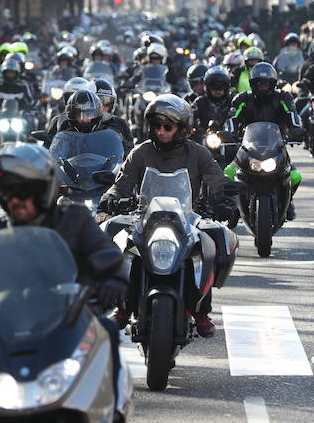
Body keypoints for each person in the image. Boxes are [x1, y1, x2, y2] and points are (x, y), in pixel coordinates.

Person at [0, 142, 127, 401]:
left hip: (70, 321)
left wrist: (112, 279)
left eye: (24, 191)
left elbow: (108, 256)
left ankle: (110, 410)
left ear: (44, 189)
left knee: (107, 331)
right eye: (9, 192)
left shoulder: (74, 219)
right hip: (8, 328)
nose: (16, 200)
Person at [98, 94, 233, 336]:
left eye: (167, 127)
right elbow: (122, 184)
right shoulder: (140, 152)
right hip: (145, 218)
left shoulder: (199, 153)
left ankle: (202, 311)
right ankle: (124, 307)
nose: (161, 132)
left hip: (188, 218)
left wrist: (224, 198)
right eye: (157, 126)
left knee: (211, 245)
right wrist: (112, 199)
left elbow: (217, 180)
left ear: (181, 129)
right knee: (114, 239)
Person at [227, 62, 303, 219]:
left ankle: (287, 202)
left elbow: (292, 113)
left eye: (266, 83)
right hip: (247, 147)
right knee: (227, 174)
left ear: (273, 83)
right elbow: (232, 117)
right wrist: (228, 131)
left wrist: (296, 128)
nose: (263, 86)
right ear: (253, 83)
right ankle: (233, 205)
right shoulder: (243, 98)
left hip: (276, 147)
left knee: (295, 176)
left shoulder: (283, 97)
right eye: (259, 83)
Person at [191, 65, 233, 142]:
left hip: (229, 140)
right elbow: (190, 116)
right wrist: (198, 132)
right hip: (204, 140)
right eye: (214, 86)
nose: (218, 90)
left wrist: (234, 132)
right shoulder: (200, 101)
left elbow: (240, 118)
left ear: (227, 87)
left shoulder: (233, 101)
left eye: (221, 87)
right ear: (207, 87)